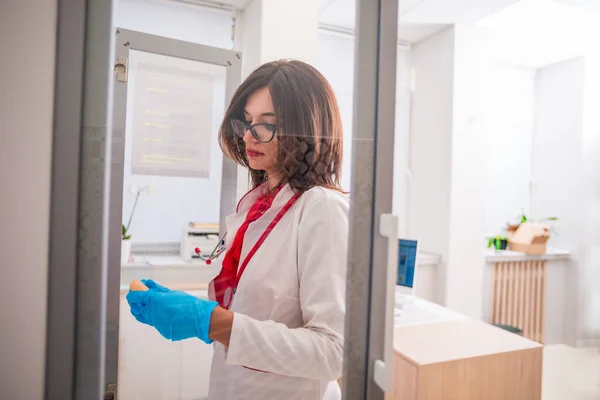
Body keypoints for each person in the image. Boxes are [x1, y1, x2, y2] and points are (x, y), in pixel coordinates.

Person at [126, 60, 349, 400]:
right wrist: (192, 310)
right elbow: (250, 311)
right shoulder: (257, 205)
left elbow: (333, 351)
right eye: (246, 122)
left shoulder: (321, 207)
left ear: (305, 132)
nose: (247, 135)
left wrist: (212, 322)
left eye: (265, 125)